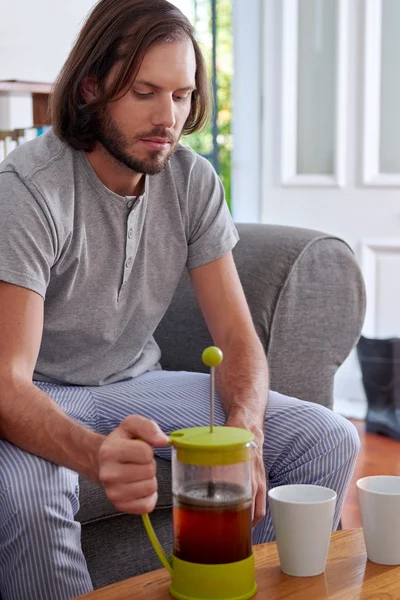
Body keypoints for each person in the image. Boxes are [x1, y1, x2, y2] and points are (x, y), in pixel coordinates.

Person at [0, 0, 360, 598]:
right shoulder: (29, 190)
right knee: (33, 499)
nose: (168, 116)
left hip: (134, 383)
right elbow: (8, 381)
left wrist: (245, 430)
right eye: (145, 92)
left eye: (182, 94)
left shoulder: (192, 180)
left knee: (328, 437)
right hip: (38, 394)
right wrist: (95, 456)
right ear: (93, 87)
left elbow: (239, 338)